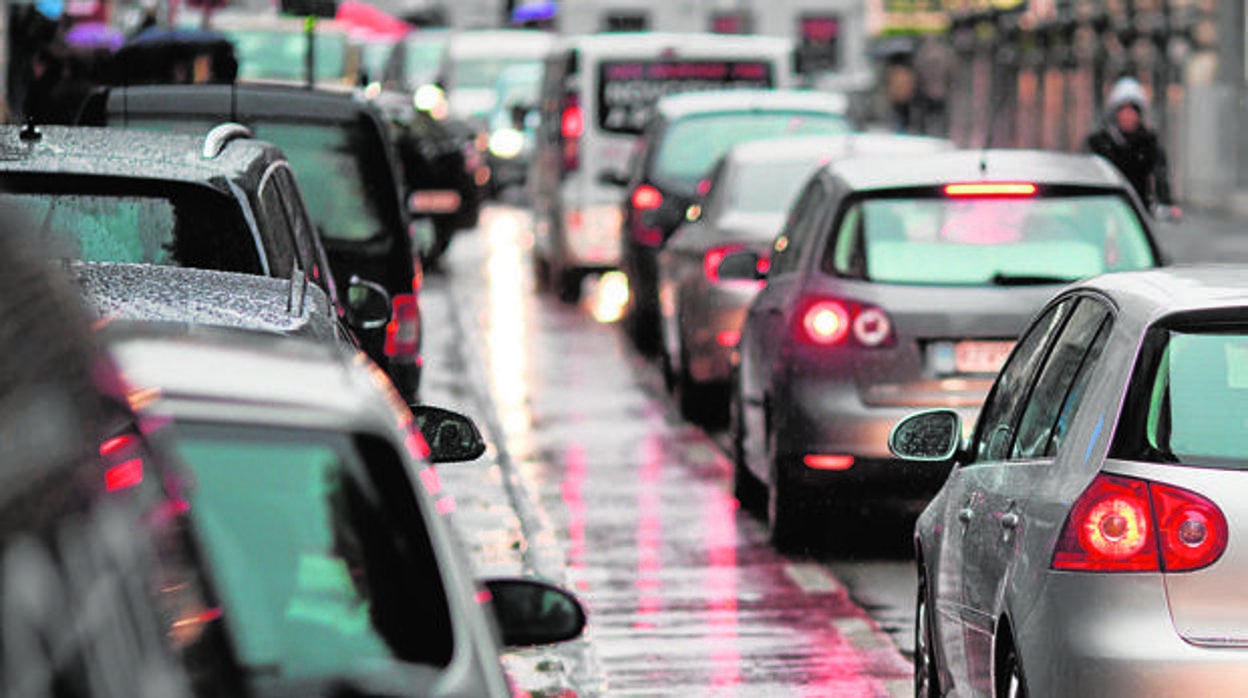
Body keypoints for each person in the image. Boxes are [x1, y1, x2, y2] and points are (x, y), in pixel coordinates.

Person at [1084, 76, 1182, 220]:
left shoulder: (1148, 142)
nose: (1128, 116)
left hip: (1138, 210)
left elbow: (1160, 174)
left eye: (1133, 111)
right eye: (1124, 110)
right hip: (1105, 208)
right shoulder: (1099, 141)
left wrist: (1166, 202)